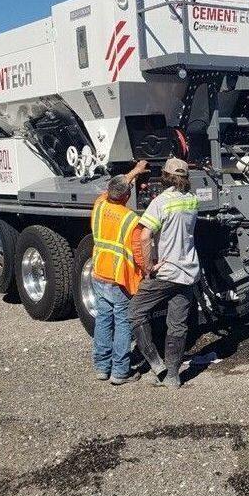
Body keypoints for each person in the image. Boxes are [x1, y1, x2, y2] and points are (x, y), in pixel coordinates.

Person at [129, 157, 200, 390]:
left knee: (135, 312)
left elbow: (145, 236)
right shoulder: (192, 201)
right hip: (188, 272)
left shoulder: (160, 202)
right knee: (177, 325)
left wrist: (149, 266)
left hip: (167, 271)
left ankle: (155, 362)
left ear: (166, 176)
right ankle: (173, 376)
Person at [90, 160, 149, 385]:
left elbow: (112, 189)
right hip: (119, 279)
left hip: (99, 273)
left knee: (103, 320)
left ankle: (102, 367)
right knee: (123, 323)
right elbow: (139, 253)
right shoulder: (130, 220)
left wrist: (133, 172)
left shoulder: (100, 204)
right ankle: (120, 371)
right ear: (126, 197)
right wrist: (149, 271)